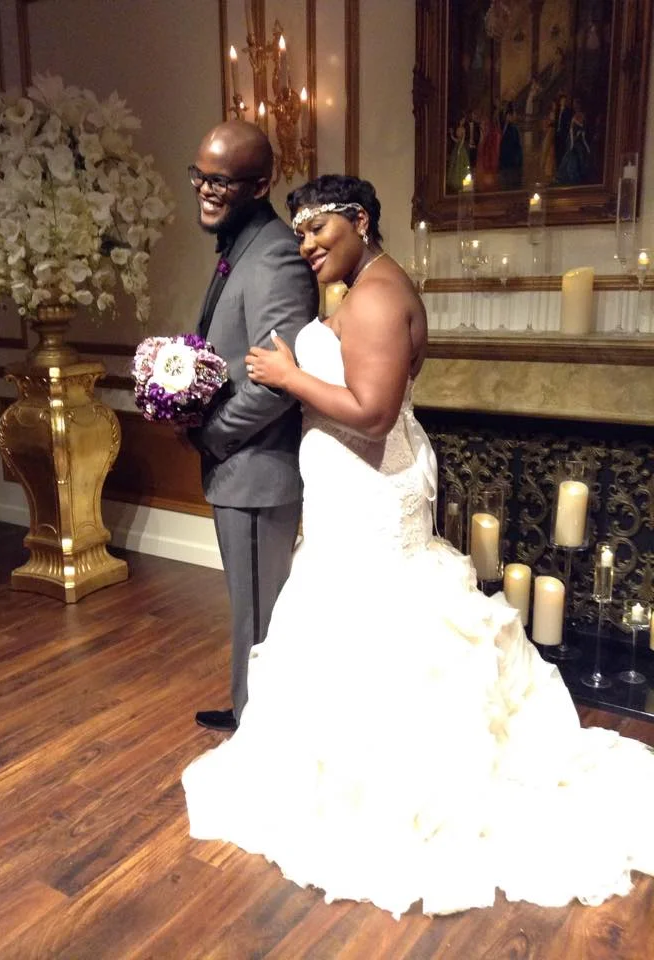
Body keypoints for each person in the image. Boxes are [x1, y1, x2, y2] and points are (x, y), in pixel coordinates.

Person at [182, 174, 654, 918]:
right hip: (361, 485)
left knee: (379, 619)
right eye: (298, 231)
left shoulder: (372, 297)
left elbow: (371, 416)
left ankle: (382, 782)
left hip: (369, 483)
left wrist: (289, 376)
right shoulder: (371, 283)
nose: (305, 245)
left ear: (361, 221)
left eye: (318, 229)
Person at [184, 120, 318, 732]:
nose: (206, 191)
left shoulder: (275, 254)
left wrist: (213, 433)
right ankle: (247, 708)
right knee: (247, 607)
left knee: (262, 610)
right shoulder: (240, 245)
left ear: (260, 184)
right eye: (200, 176)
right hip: (237, 465)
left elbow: (277, 380)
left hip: (258, 469)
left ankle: (264, 730)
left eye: (222, 181)